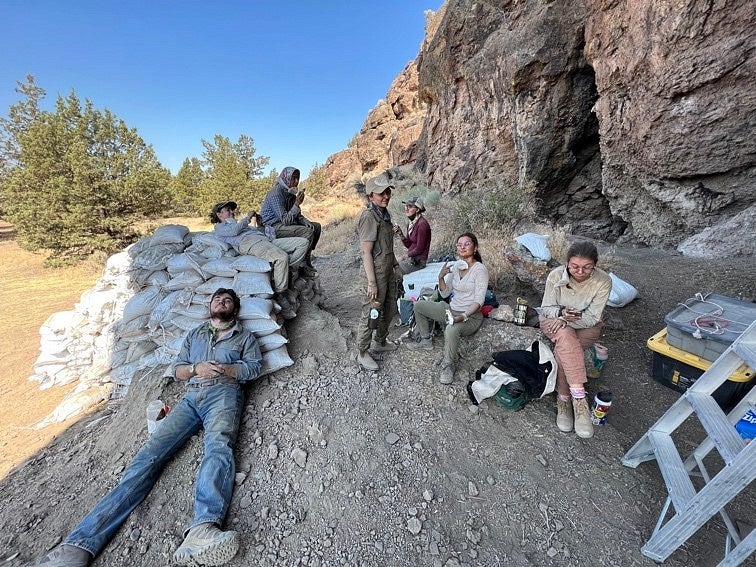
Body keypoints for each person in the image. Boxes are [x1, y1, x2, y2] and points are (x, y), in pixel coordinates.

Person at [25, 288, 262, 567]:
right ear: (209, 306)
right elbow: (177, 369)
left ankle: (202, 528)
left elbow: (254, 368)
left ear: (235, 309)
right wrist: (196, 369)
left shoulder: (245, 337)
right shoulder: (196, 334)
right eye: (218, 299)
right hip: (191, 398)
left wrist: (226, 369)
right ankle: (78, 546)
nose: (222, 302)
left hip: (224, 394)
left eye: (228, 301)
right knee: (148, 455)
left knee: (218, 447)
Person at [539, 241, 611, 439]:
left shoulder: (602, 281)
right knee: (565, 337)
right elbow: (546, 308)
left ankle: (563, 400)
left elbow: (594, 317)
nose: (580, 271)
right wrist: (561, 314)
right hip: (553, 321)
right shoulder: (555, 275)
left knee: (565, 346)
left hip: (585, 326)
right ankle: (579, 399)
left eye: (587, 267)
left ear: (594, 265)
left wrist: (565, 321)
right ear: (567, 263)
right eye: (574, 266)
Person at [406, 233, 489, 385]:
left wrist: (462, 316)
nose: (462, 247)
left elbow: (479, 301)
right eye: (459, 244)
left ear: (475, 248)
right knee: (419, 306)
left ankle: (448, 365)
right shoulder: (456, 267)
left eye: (467, 244)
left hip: (471, 316)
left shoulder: (480, 270)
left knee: (451, 329)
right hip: (451, 310)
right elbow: (445, 293)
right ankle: (426, 340)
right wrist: (441, 278)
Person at [211, 201, 308, 318]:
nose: (231, 212)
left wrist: (260, 226)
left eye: (231, 209)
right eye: (227, 210)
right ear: (219, 215)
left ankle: (286, 269)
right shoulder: (220, 227)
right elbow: (234, 231)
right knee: (282, 257)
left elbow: (251, 230)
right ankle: (280, 292)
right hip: (251, 243)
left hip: (265, 240)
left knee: (303, 243)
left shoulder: (238, 223)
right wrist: (247, 218)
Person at [356, 173, 400, 371]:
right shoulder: (369, 217)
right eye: (381, 193)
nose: (386, 196)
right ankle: (362, 352)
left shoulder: (384, 214)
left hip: (388, 270)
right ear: (370, 196)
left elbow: (386, 245)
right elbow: (366, 252)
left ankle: (380, 342)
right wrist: (371, 283)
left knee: (390, 309)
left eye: (388, 192)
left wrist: (396, 264)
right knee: (372, 312)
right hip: (374, 273)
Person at [260, 167, 321, 277]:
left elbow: (297, 215)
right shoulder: (275, 194)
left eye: (297, 178)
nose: (296, 181)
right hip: (272, 227)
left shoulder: (290, 193)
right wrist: (297, 204)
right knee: (307, 232)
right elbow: (286, 220)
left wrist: (304, 220)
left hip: (283, 224)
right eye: (293, 178)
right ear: (286, 178)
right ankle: (302, 265)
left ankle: (307, 258)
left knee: (316, 227)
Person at [393, 196, 431, 275]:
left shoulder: (422, 224)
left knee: (394, 271)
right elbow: (409, 245)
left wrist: (403, 257)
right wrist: (401, 234)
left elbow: (419, 249)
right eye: (405, 206)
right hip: (412, 259)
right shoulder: (411, 224)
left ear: (417, 209)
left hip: (419, 262)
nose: (406, 209)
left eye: (409, 206)